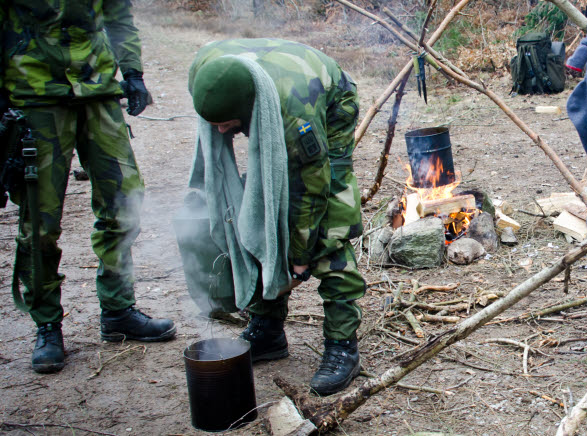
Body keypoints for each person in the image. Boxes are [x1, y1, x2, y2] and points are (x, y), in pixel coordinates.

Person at [1, 0, 177, 374]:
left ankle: (117, 310)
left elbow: (118, 15)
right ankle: (47, 324)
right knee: (41, 223)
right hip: (34, 95)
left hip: (98, 90)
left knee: (125, 202)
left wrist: (133, 72)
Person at [187, 38, 364, 396]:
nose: (222, 131)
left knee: (331, 224)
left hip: (327, 102)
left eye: (228, 124)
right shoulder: (205, 73)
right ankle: (267, 329)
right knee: (259, 208)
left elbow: (310, 190)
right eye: (215, 124)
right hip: (274, 94)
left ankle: (343, 345)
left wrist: (298, 262)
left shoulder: (296, 117)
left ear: (249, 106)